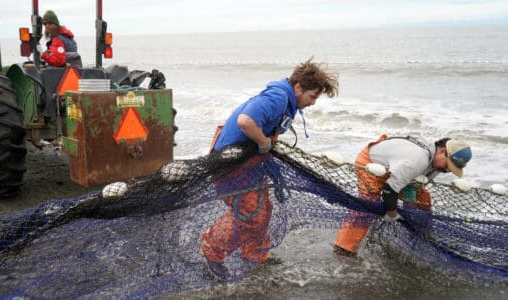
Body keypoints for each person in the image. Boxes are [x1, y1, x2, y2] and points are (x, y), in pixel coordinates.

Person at [200, 58, 339, 280]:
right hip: (229, 165)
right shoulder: (278, 97)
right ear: (298, 87)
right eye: (312, 96)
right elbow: (245, 121)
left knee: (263, 209)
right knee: (250, 213)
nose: (313, 103)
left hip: (250, 164)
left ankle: (254, 253)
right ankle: (211, 252)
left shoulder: (287, 101)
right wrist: (264, 143)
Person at [333, 134, 472, 257]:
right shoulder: (417, 160)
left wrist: (410, 208)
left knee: (422, 198)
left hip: (398, 169)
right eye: (449, 165)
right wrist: (392, 213)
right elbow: (389, 189)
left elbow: (411, 186)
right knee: (369, 203)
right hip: (371, 163)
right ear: (442, 151)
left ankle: (423, 238)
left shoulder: (437, 163)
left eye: (452, 168)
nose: (448, 170)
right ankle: (343, 249)